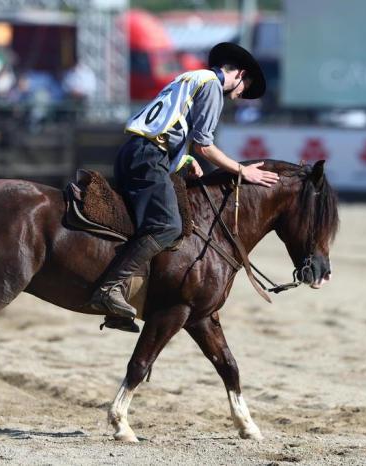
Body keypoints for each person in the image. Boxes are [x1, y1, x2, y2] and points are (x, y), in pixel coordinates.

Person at [87, 42, 280, 328]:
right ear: (239, 74)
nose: (240, 96)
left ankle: (128, 298)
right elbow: (206, 145)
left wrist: (183, 159)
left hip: (137, 152)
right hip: (149, 158)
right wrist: (243, 171)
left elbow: (168, 126)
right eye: (245, 87)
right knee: (168, 226)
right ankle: (108, 290)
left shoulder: (190, 77)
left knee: (146, 222)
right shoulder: (213, 86)